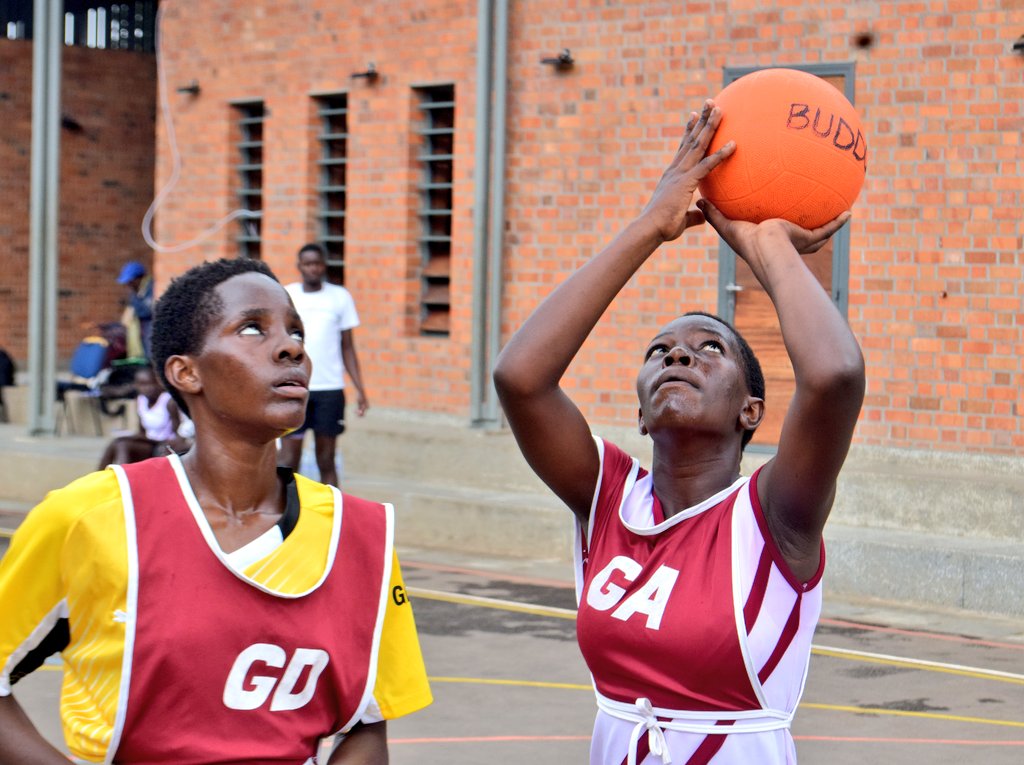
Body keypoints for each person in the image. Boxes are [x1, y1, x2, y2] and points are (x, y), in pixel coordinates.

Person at [492, 101, 865, 764]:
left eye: (709, 348)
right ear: (639, 412)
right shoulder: (607, 498)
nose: (677, 355)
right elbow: (520, 377)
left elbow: (834, 375)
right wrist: (650, 225)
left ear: (751, 411)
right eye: (659, 350)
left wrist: (768, 248)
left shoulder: (775, 513)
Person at [0, 258, 432, 763]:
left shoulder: (361, 536)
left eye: (296, 331)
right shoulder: (90, 517)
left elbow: (365, 725)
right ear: (186, 372)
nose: (292, 347)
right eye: (253, 328)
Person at [279, 243, 369, 486]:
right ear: (299, 266)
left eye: (317, 263)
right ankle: (287, 517)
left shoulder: (339, 297)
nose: (313, 269)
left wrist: (360, 389)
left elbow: (348, 347)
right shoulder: (287, 296)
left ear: (324, 265)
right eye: (308, 264)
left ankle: (332, 516)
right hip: (294, 387)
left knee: (326, 459)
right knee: (288, 459)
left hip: (329, 390)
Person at [95, 365, 191, 469]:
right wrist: (128, 436)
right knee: (118, 442)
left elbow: (177, 434)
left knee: (123, 445)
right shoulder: (141, 400)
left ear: (159, 383)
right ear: (136, 386)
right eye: (143, 385)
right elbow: (142, 431)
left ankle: (124, 477)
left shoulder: (168, 401)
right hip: (149, 441)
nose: (149, 388)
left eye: (152, 383)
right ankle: (99, 476)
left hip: (163, 444)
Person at [117, 260, 155, 360]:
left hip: (151, 328)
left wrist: (136, 301)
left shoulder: (151, 288)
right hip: (142, 329)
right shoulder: (135, 292)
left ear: (138, 278)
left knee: (152, 356)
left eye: (130, 281)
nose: (128, 285)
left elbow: (147, 310)